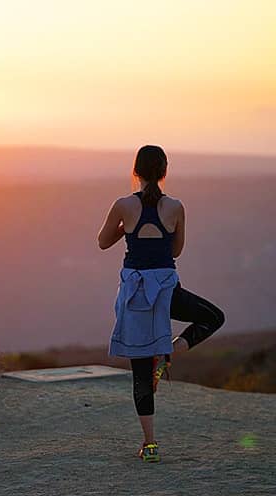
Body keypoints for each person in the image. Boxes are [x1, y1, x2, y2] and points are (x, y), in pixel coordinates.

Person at [97, 144, 225, 463]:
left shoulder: (123, 205)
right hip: (167, 292)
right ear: (165, 172)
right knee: (212, 317)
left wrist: (128, 229)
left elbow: (102, 241)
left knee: (140, 371)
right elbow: (176, 251)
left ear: (135, 171)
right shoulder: (177, 207)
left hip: (135, 295)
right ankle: (171, 350)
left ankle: (150, 444)